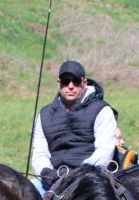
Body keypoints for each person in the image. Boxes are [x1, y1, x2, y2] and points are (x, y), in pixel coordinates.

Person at [30, 60, 117, 190]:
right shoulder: (44, 115)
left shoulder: (102, 110)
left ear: (84, 82)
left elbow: (105, 149)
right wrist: (46, 172)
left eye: (76, 81)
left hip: (91, 180)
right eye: (65, 81)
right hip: (53, 181)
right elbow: (39, 153)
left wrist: (80, 173)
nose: (70, 86)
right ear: (59, 83)